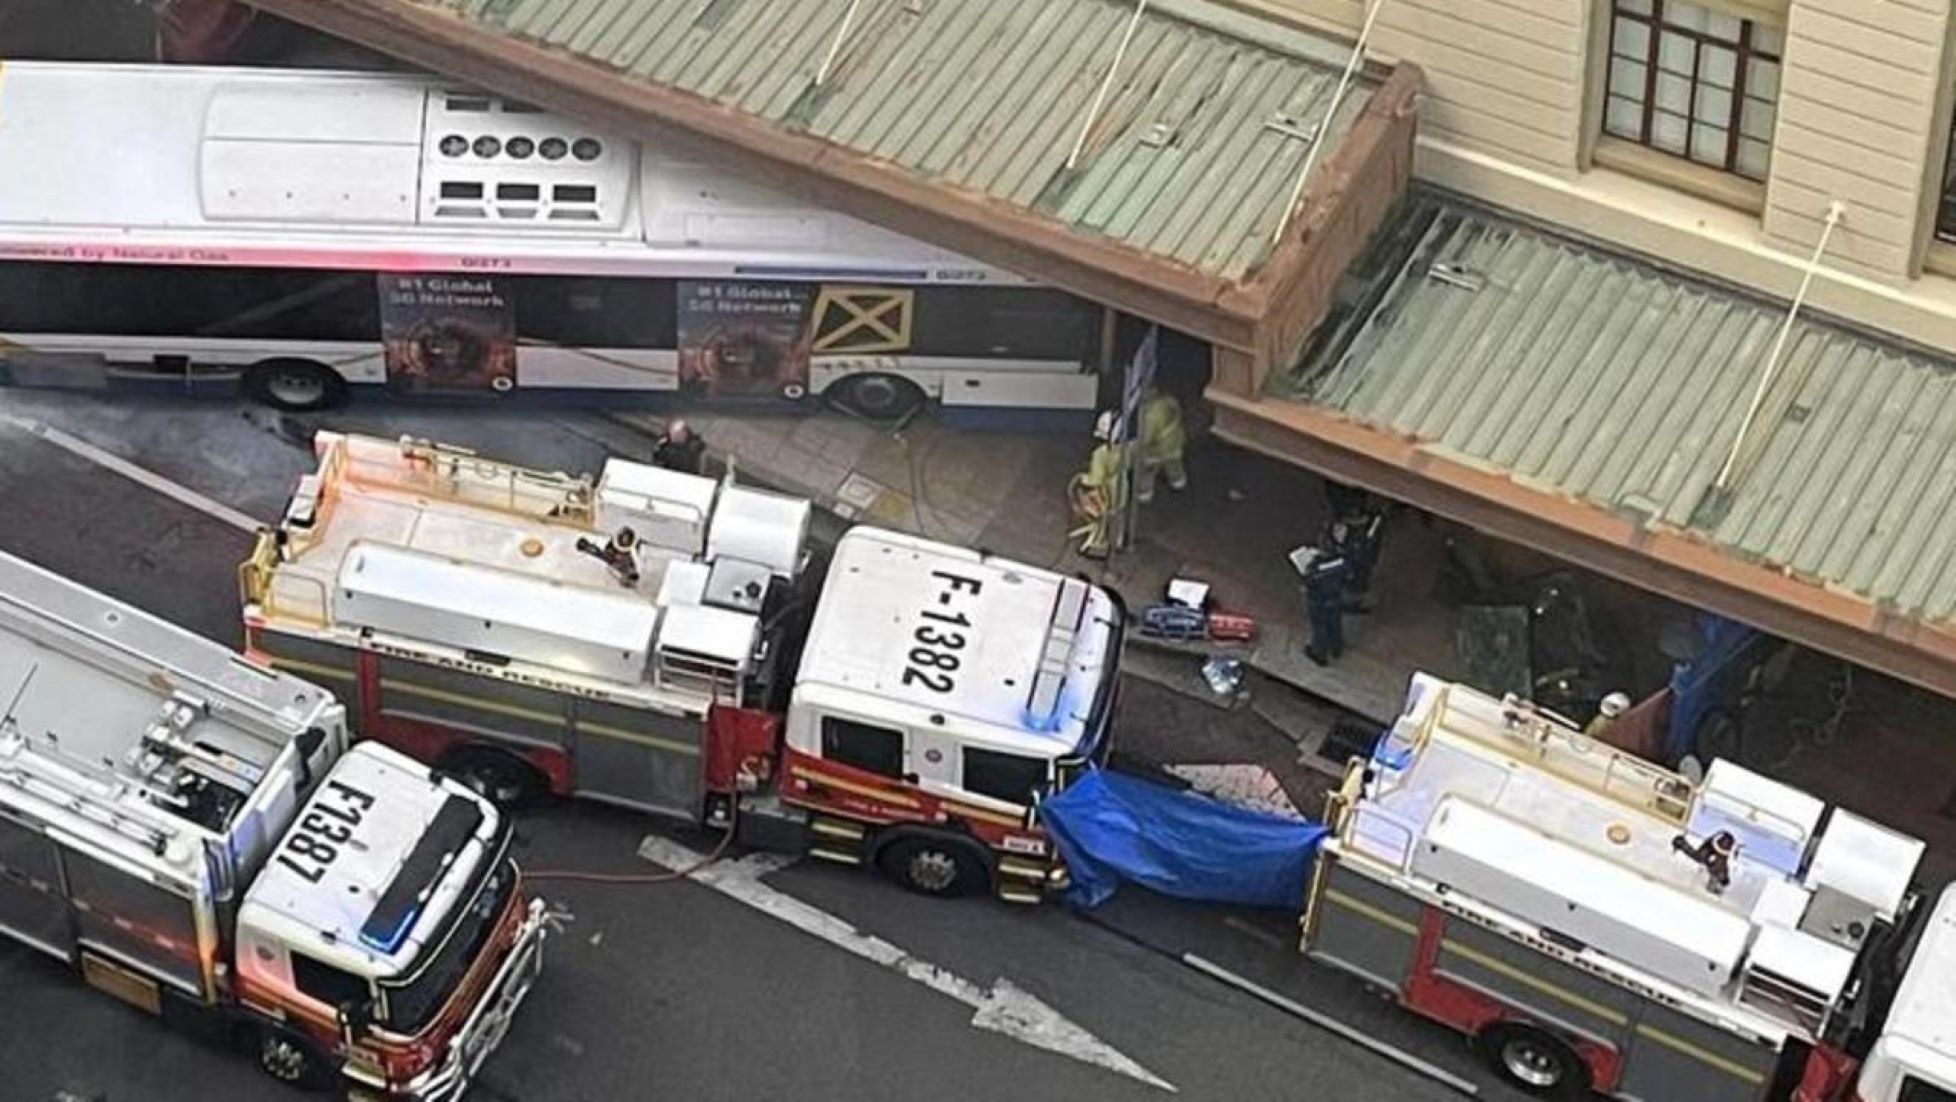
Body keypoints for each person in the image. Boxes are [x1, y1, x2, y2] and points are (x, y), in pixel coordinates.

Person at [1070, 411, 1129, 559]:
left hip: (1106, 492)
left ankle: (1098, 545)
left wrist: (1083, 478)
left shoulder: (1100, 454)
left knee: (1101, 520)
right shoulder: (1126, 448)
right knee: (1118, 515)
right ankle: (1118, 541)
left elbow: (1096, 479)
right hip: (1121, 487)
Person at [1292, 542, 1351, 667]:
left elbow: (1309, 580)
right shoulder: (1341, 559)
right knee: (1335, 621)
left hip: (1318, 599)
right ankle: (1336, 648)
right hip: (1334, 596)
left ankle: (1319, 654)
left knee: (1319, 627)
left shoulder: (1315, 567)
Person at [1134, 386, 1188, 504]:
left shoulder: (1148, 413)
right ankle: (1178, 480)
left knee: (1147, 468)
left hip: (1155, 450)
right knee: (1174, 463)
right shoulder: (1171, 401)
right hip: (1174, 444)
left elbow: (1146, 437)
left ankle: (1144, 492)